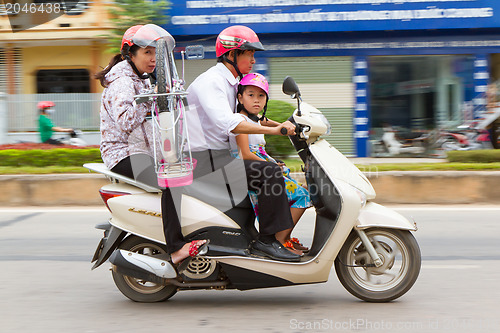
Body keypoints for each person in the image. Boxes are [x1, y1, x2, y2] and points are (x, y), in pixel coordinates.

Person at [185, 25, 301, 262]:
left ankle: (263, 236)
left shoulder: (231, 83)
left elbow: (250, 116)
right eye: (249, 53)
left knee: (275, 169)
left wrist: (287, 125)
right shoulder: (212, 82)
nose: (253, 60)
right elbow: (232, 123)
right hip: (205, 160)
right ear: (231, 54)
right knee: (269, 172)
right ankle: (267, 241)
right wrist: (277, 131)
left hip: (218, 156)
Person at [94, 24, 206, 266]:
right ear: (129, 54)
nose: (154, 58)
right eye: (147, 52)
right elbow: (125, 122)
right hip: (123, 154)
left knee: (191, 171)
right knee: (171, 180)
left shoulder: (141, 78)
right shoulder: (122, 82)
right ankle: (176, 248)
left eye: (156, 53)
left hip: (141, 151)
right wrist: (152, 97)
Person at [233, 73, 312, 253]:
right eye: (250, 95)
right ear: (240, 97)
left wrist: (290, 126)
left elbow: (269, 123)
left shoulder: (256, 118)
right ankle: (281, 240)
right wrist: (269, 164)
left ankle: (284, 237)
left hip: (263, 162)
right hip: (253, 168)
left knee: (300, 191)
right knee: (303, 196)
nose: (256, 100)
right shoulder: (240, 121)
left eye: (261, 96)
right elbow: (245, 153)